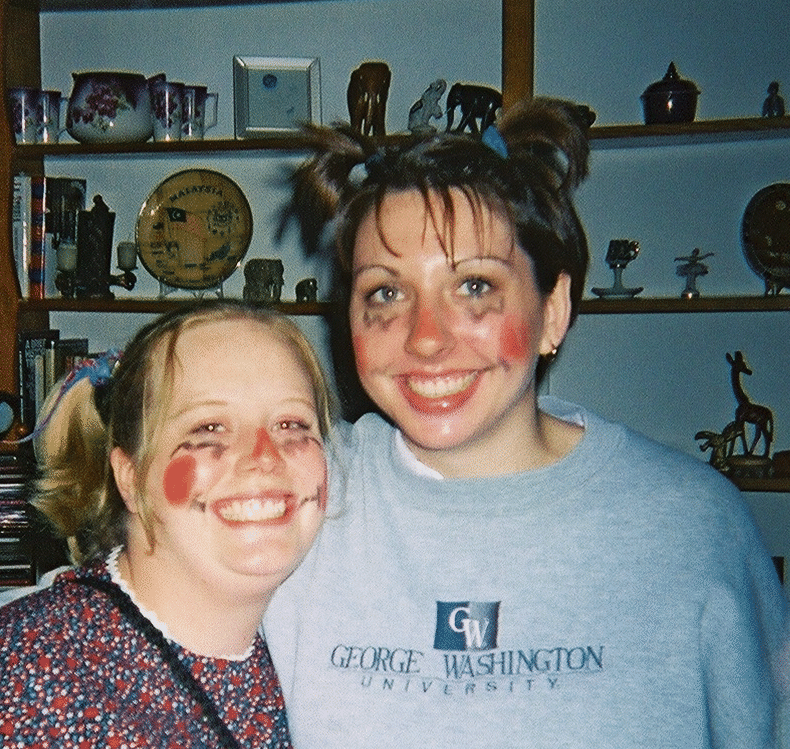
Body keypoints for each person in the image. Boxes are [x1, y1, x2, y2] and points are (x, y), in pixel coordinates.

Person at [262, 97, 790, 747]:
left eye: (474, 286)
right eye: (386, 292)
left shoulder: (693, 527)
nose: (425, 338)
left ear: (553, 309)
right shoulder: (290, 498)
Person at [0, 302, 332, 748]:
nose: (264, 457)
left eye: (291, 424)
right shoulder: (25, 689)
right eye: (209, 428)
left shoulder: (317, 656)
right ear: (131, 477)